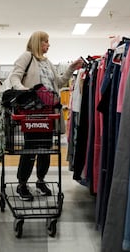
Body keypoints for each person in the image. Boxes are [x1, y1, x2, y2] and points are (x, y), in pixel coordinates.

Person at [8, 30, 83, 201]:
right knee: (30, 148)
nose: (48, 45)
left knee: (46, 149)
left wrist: (72, 68)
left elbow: (59, 82)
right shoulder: (27, 57)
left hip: (49, 113)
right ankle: (22, 184)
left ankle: (40, 181)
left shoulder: (47, 62)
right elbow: (14, 78)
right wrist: (25, 91)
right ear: (37, 42)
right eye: (45, 41)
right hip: (33, 112)